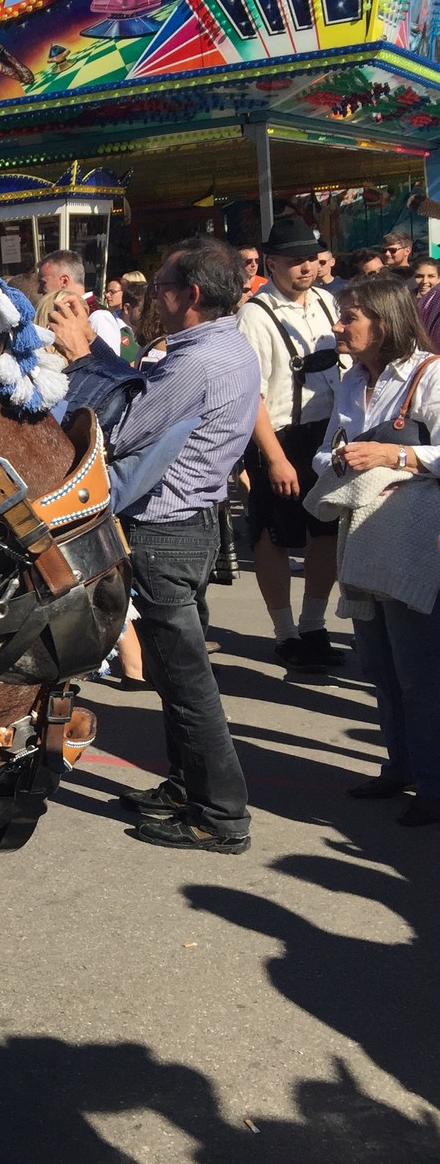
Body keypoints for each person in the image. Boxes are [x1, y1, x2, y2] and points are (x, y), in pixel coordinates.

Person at [50, 238, 261, 852]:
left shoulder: (199, 361)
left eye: (161, 287)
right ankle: (189, 786)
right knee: (175, 674)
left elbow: (125, 424)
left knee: (188, 681)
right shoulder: (213, 347)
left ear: (190, 295)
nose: (150, 300)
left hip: (167, 532)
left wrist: (89, 352)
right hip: (182, 528)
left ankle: (221, 815)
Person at [305, 275, 440, 826]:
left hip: (411, 541)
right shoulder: (350, 380)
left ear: (385, 319)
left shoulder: (431, 375)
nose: (340, 325)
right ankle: (399, 767)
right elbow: (324, 452)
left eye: (351, 314)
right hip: (362, 536)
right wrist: (338, 460)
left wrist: (395, 456)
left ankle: (433, 784)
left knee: (420, 670)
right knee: (379, 665)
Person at [236, 214, 345, 672]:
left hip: (326, 433)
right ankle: (285, 633)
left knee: (327, 530)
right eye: (296, 260)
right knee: (273, 534)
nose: (306, 268)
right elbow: (251, 396)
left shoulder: (325, 302)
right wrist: (276, 458)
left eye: (311, 259)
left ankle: (314, 624)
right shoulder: (254, 315)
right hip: (278, 436)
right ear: (271, 262)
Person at [38, 249, 126, 350]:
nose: (39, 290)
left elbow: (108, 363)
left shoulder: (99, 317)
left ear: (64, 281)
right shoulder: (66, 312)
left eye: (43, 283)